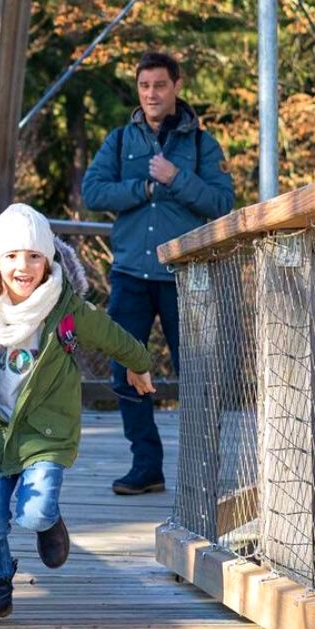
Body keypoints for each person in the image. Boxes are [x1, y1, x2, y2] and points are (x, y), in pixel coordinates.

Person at [0, 203, 154, 624]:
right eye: (12, 256)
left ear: (48, 261)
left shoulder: (65, 309)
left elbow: (113, 337)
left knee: (34, 511)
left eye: (34, 256)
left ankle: (49, 522)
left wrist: (139, 364)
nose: (23, 267)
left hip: (45, 432)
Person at [81, 50, 235, 496]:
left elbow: (222, 204)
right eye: (144, 86)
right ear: (138, 89)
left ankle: (203, 466)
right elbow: (92, 191)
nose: (152, 94)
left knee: (199, 373)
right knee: (125, 371)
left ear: (176, 87)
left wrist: (174, 178)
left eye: (160, 85)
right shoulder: (119, 140)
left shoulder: (202, 145)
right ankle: (146, 466)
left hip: (184, 276)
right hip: (130, 275)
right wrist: (144, 186)